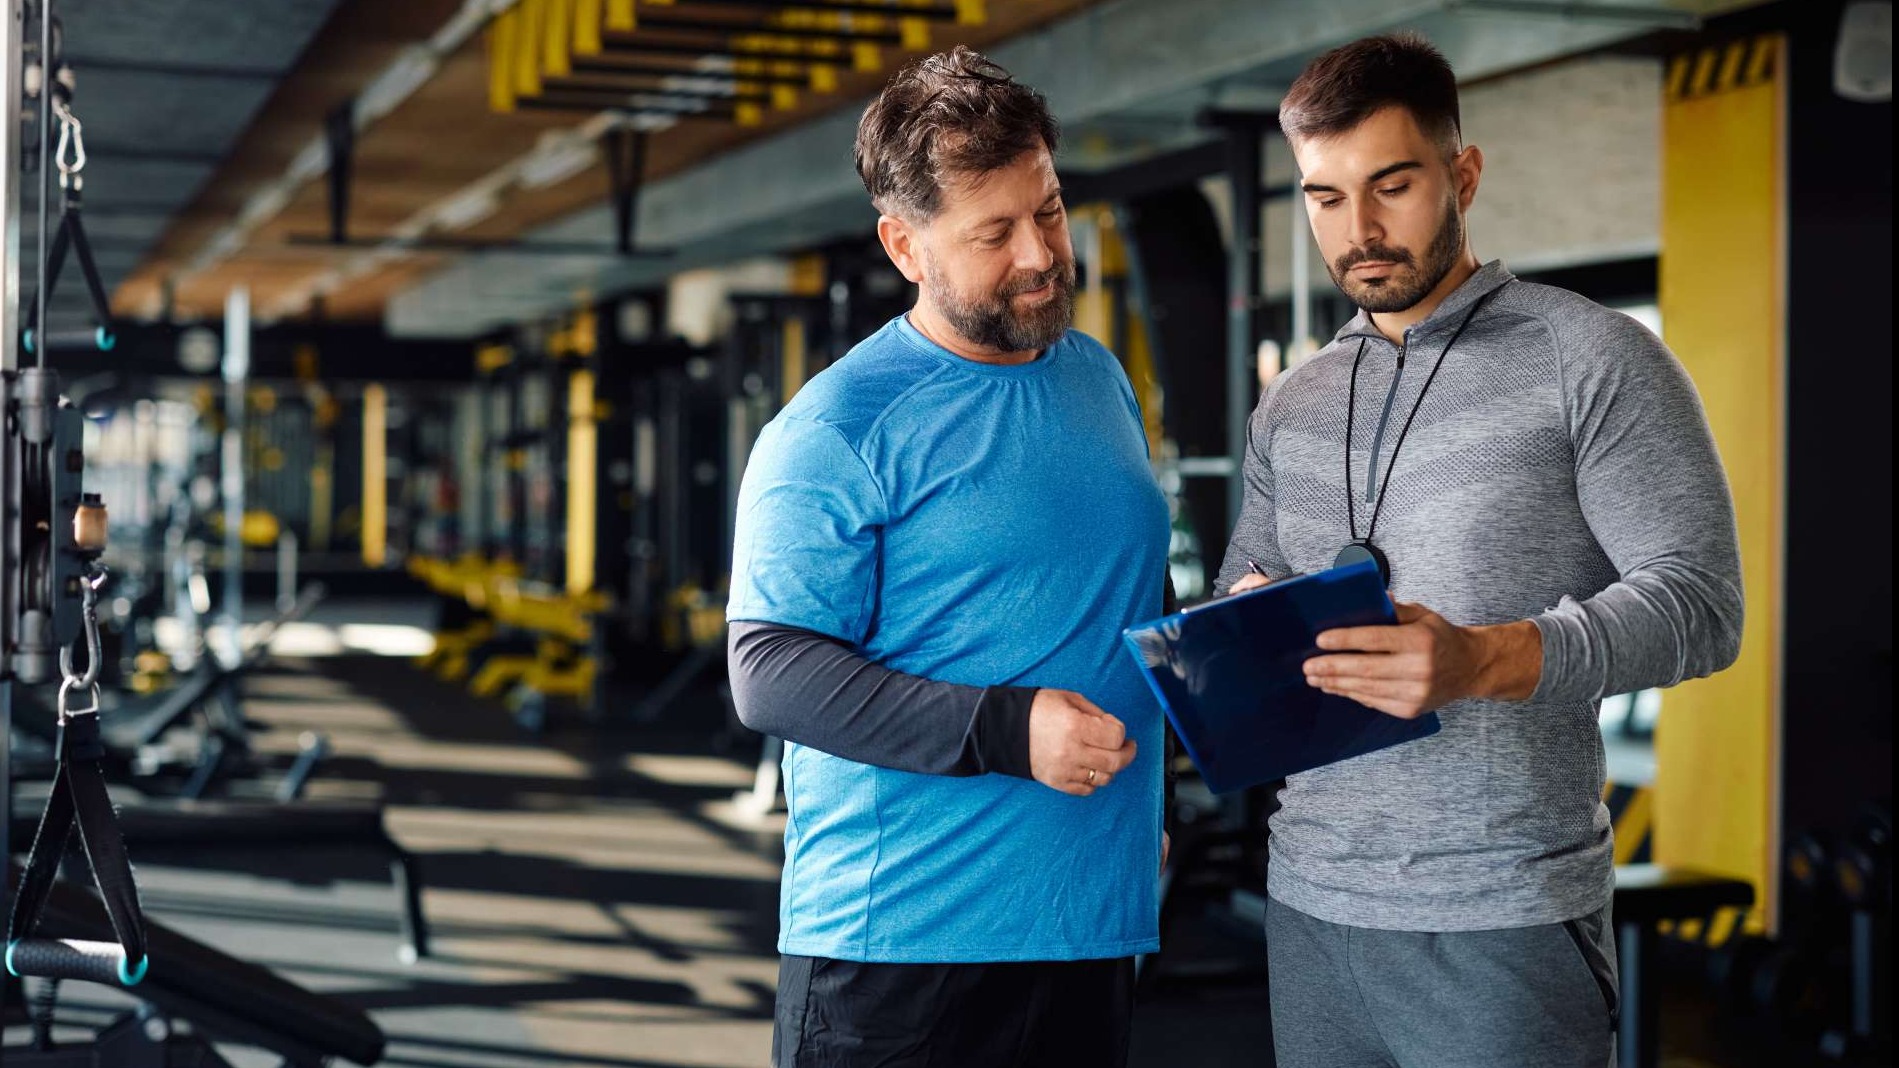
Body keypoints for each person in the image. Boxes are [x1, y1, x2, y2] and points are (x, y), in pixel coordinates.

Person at [1219, 33, 1744, 1068]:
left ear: (1462, 174)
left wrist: (1482, 659)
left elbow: (1702, 603)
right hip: (1311, 903)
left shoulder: (1591, 357)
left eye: (1393, 185)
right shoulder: (1296, 401)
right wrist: (1244, 621)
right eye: (1325, 198)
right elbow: (1253, 579)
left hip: (1504, 913)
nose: (1359, 231)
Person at [726, 46, 1171, 1068]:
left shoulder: (1096, 378)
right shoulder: (839, 425)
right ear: (905, 246)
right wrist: (1011, 730)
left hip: (1086, 923)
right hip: (903, 954)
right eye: (995, 233)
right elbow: (771, 671)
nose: (1040, 255)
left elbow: (1119, 593)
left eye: (1049, 210)